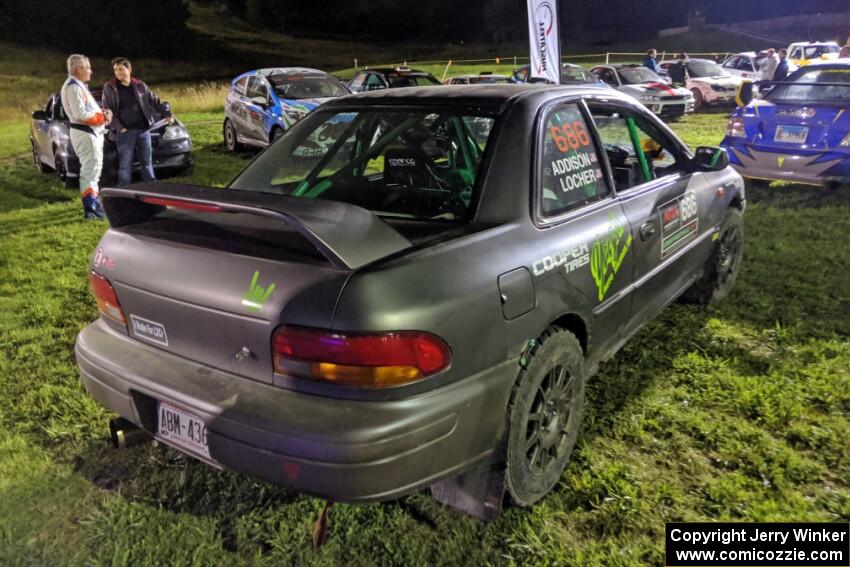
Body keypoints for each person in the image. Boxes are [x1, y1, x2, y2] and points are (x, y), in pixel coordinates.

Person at [101, 57, 172, 186]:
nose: (118, 72)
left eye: (121, 69)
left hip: (143, 130)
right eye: (115, 70)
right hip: (125, 132)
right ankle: (124, 190)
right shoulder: (110, 87)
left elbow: (155, 102)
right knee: (125, 164)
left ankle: (151, 188)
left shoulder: (140, 85)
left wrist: (167, 114)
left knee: (146, 162)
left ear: (129, 69)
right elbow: (107, 109)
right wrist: (120, 128)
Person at [60, 54, 111, 220]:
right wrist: (102, 118)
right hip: (86, 133)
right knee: (90, 170)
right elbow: (80, 113)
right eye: (88, 67)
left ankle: (94, 204)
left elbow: (85, 110)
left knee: (93, 170)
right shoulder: (73, 86)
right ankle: (92, 209)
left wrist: (100, 113)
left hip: (88, 133)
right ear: (78, 69)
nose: (91, 70)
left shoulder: (77, 85)